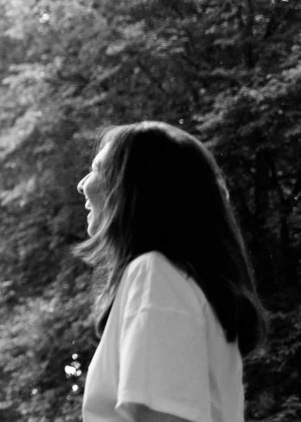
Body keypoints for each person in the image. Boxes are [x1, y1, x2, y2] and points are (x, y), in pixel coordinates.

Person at [76, 121, 267, 422]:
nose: (83, 184)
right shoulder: (179, 283)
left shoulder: (155, 275)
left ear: (135, 187)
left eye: (98, 169)